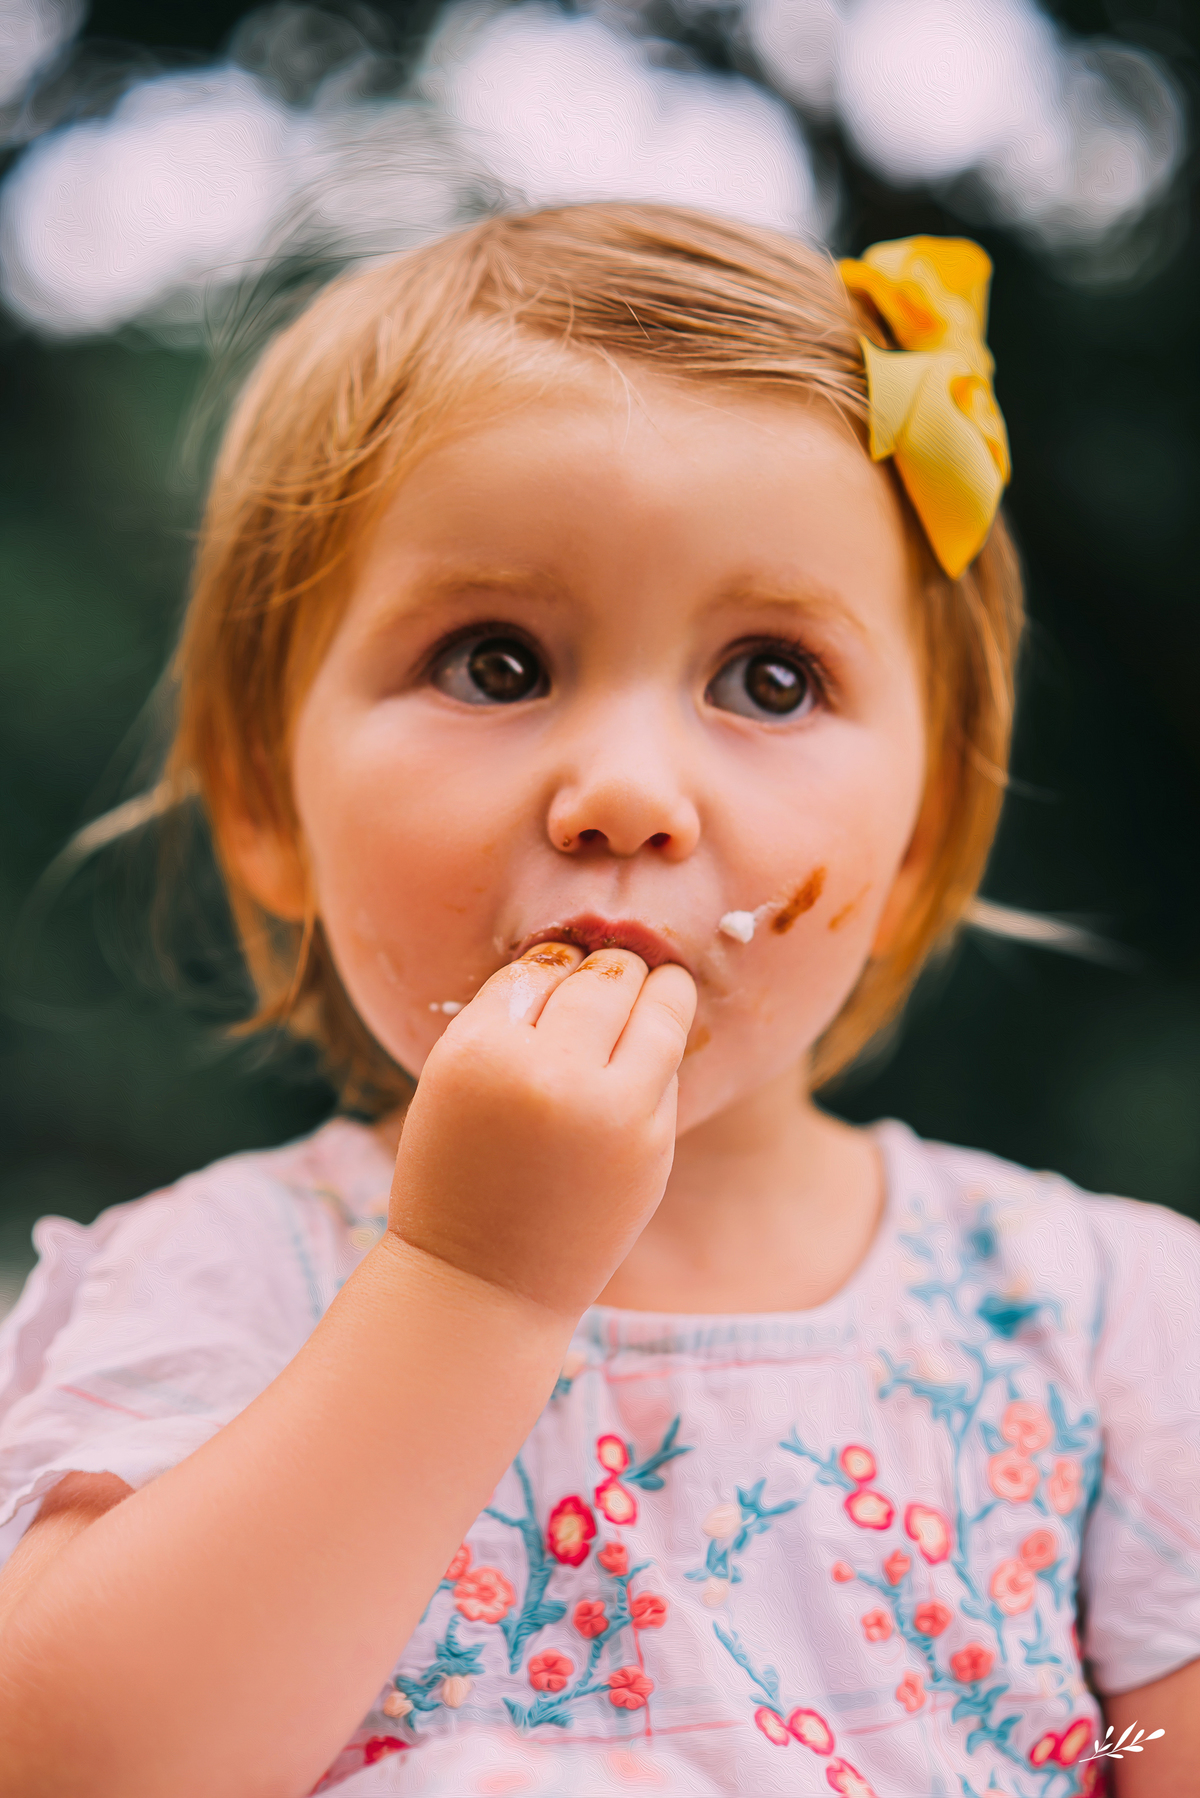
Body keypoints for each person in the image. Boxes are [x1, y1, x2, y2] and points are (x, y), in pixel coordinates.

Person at [0, 205, 1195, 1798]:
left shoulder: (1106, 1319)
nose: (626, 793)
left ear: (918, 843)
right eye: (496, 660)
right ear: (267, 807)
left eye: (770, 676)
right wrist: (468, 1283)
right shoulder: (218, 1284)